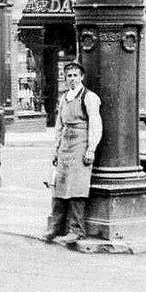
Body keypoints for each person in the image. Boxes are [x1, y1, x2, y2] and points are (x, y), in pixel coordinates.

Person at [44, 62, 102, 245]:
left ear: (81, 77)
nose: (72, 79)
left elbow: (95, 123)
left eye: (75, 76)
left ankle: (76, 230)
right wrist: (56, 149)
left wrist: (91, 149)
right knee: (59, 186)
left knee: (77, 188)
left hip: (80, 143)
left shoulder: (89, 97)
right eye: (69, 76)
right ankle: (55, 228)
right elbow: (59, 125)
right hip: (65, 146)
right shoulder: (64, 98)